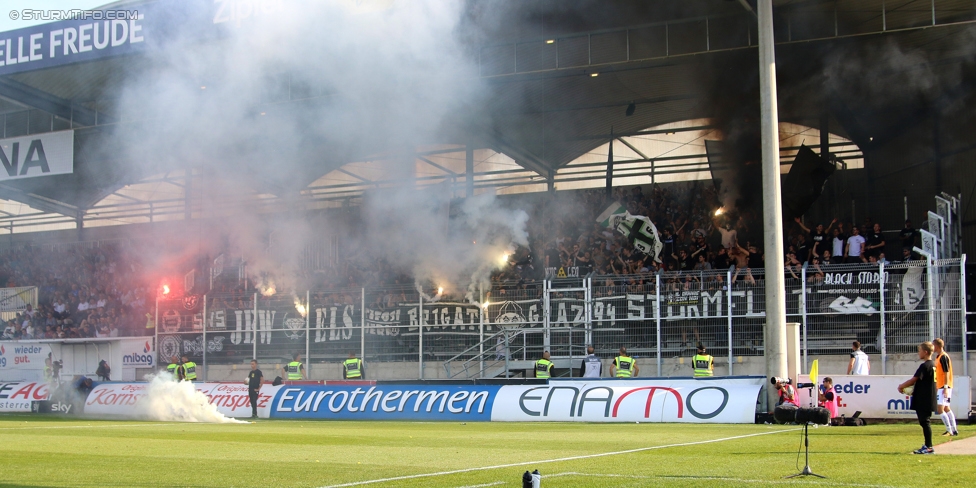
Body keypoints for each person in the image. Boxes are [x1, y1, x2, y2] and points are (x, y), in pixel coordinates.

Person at [898, 342, 937, 454]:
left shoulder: (925, 366)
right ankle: (927, 445)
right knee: (925, 422)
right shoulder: (933, 365)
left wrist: (902, 386)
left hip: (924, 398)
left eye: (920, 351)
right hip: (929, 396)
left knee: (925, 422)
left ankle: (928, 447)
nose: (918, 353)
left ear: (925, 352)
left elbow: (913, 379)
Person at [933, 338, 958, 436]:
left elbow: (946, 372)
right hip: (941, 385)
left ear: (938, 346)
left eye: (933, 345)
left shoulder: (943, 357)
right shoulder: (938, 357)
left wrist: (946, 387)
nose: (933, 347)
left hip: (944, 386)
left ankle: (949, 430)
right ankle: (954, 429)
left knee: (940, 409)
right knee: (947, 408)